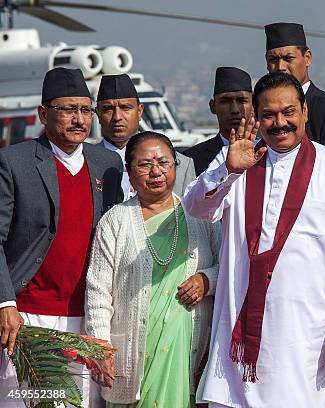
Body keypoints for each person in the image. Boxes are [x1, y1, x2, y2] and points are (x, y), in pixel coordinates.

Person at [184, 72, 325, 407]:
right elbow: (196, 207)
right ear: (256, 117)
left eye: (288, 112)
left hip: (309, 331)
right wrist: (229, 169)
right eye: (268, 114)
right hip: (240, 328)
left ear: (305, 112)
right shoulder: (240, 159)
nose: (279, 122)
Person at [0, 67, 123, 407]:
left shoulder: (107, 165)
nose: (79, 119)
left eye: (86, 110)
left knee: (79, 402)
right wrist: (5, 302)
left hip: (88, 318)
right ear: (43, 113)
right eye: (69, 110)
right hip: (27, 317)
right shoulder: (14, 162)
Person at [85, 131, 220, 407]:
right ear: (130, 172)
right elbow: (98, 291)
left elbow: (229, 267)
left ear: (175, 167)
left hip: (185, 345)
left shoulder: (199, 214)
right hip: (131, 349)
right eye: (145, 164)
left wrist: (208, 280)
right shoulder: (115, 221)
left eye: (164, 163)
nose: (155, 171)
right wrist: (99, 345)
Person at [264, 22, 325, 154]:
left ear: (307, 58)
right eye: (273, 59)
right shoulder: (261, 113)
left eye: (288, 58)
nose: (280, 66)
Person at [96, 74, 195, 199]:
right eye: (108, 109)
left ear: (140, 111)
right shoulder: (86, 163)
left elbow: (191, 213)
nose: (117, 117)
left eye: (126, 108)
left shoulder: (181, 165)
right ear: (98, 114)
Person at [183, 67, 253, 176]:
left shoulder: (267, 153)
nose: (234, 109)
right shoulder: (190, 161)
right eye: (226, 101)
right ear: (213, 106)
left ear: (253, 106)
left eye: (241, 101)